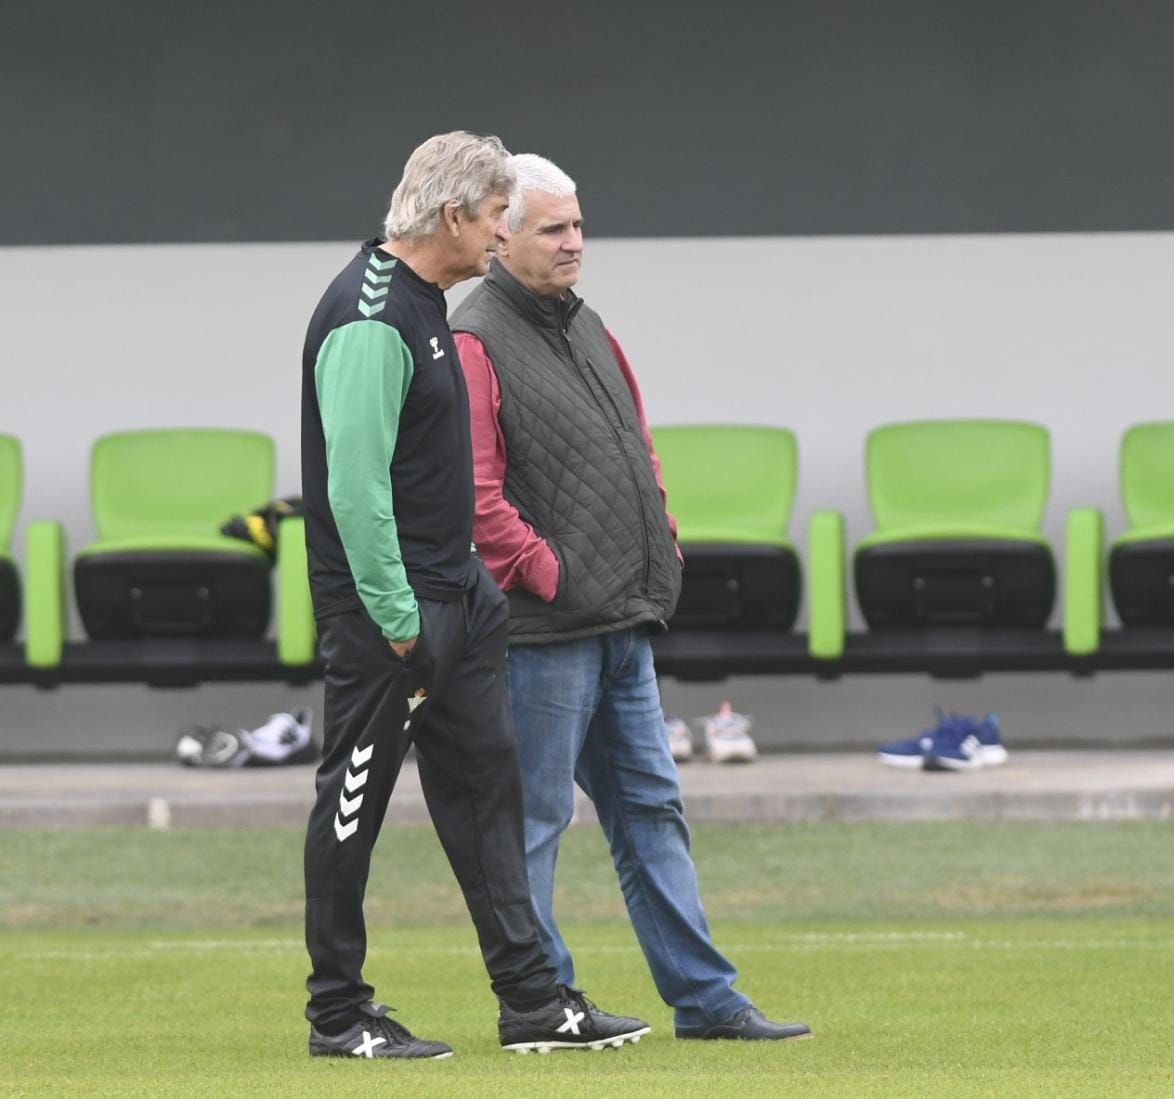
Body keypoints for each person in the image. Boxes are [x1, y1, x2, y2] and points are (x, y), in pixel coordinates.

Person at [300, 132, 648, 1059]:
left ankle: (533, 1001)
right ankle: (337, 1015)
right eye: (497, 217)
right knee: (354, 809)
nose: (503, 236)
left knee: (490, 800)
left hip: (458, 603)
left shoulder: (427, 304)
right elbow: (355, 489)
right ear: (452, 216)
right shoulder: (371, 316)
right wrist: (402, 620)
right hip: (391, 621)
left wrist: (467, 600)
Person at [451, 153, 811, 1041]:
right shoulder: (473, 339)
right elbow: (474, 495)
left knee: (653, 811)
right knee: (535, 822)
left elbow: (635, 447)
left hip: (621, 621)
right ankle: (540, 1002)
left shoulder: (588, 325)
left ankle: (708, 1000)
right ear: (504, 235)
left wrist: (664, 539)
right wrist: (550, 574)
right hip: (543, 632)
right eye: (554, 229)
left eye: (578, 225)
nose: (576, 243)